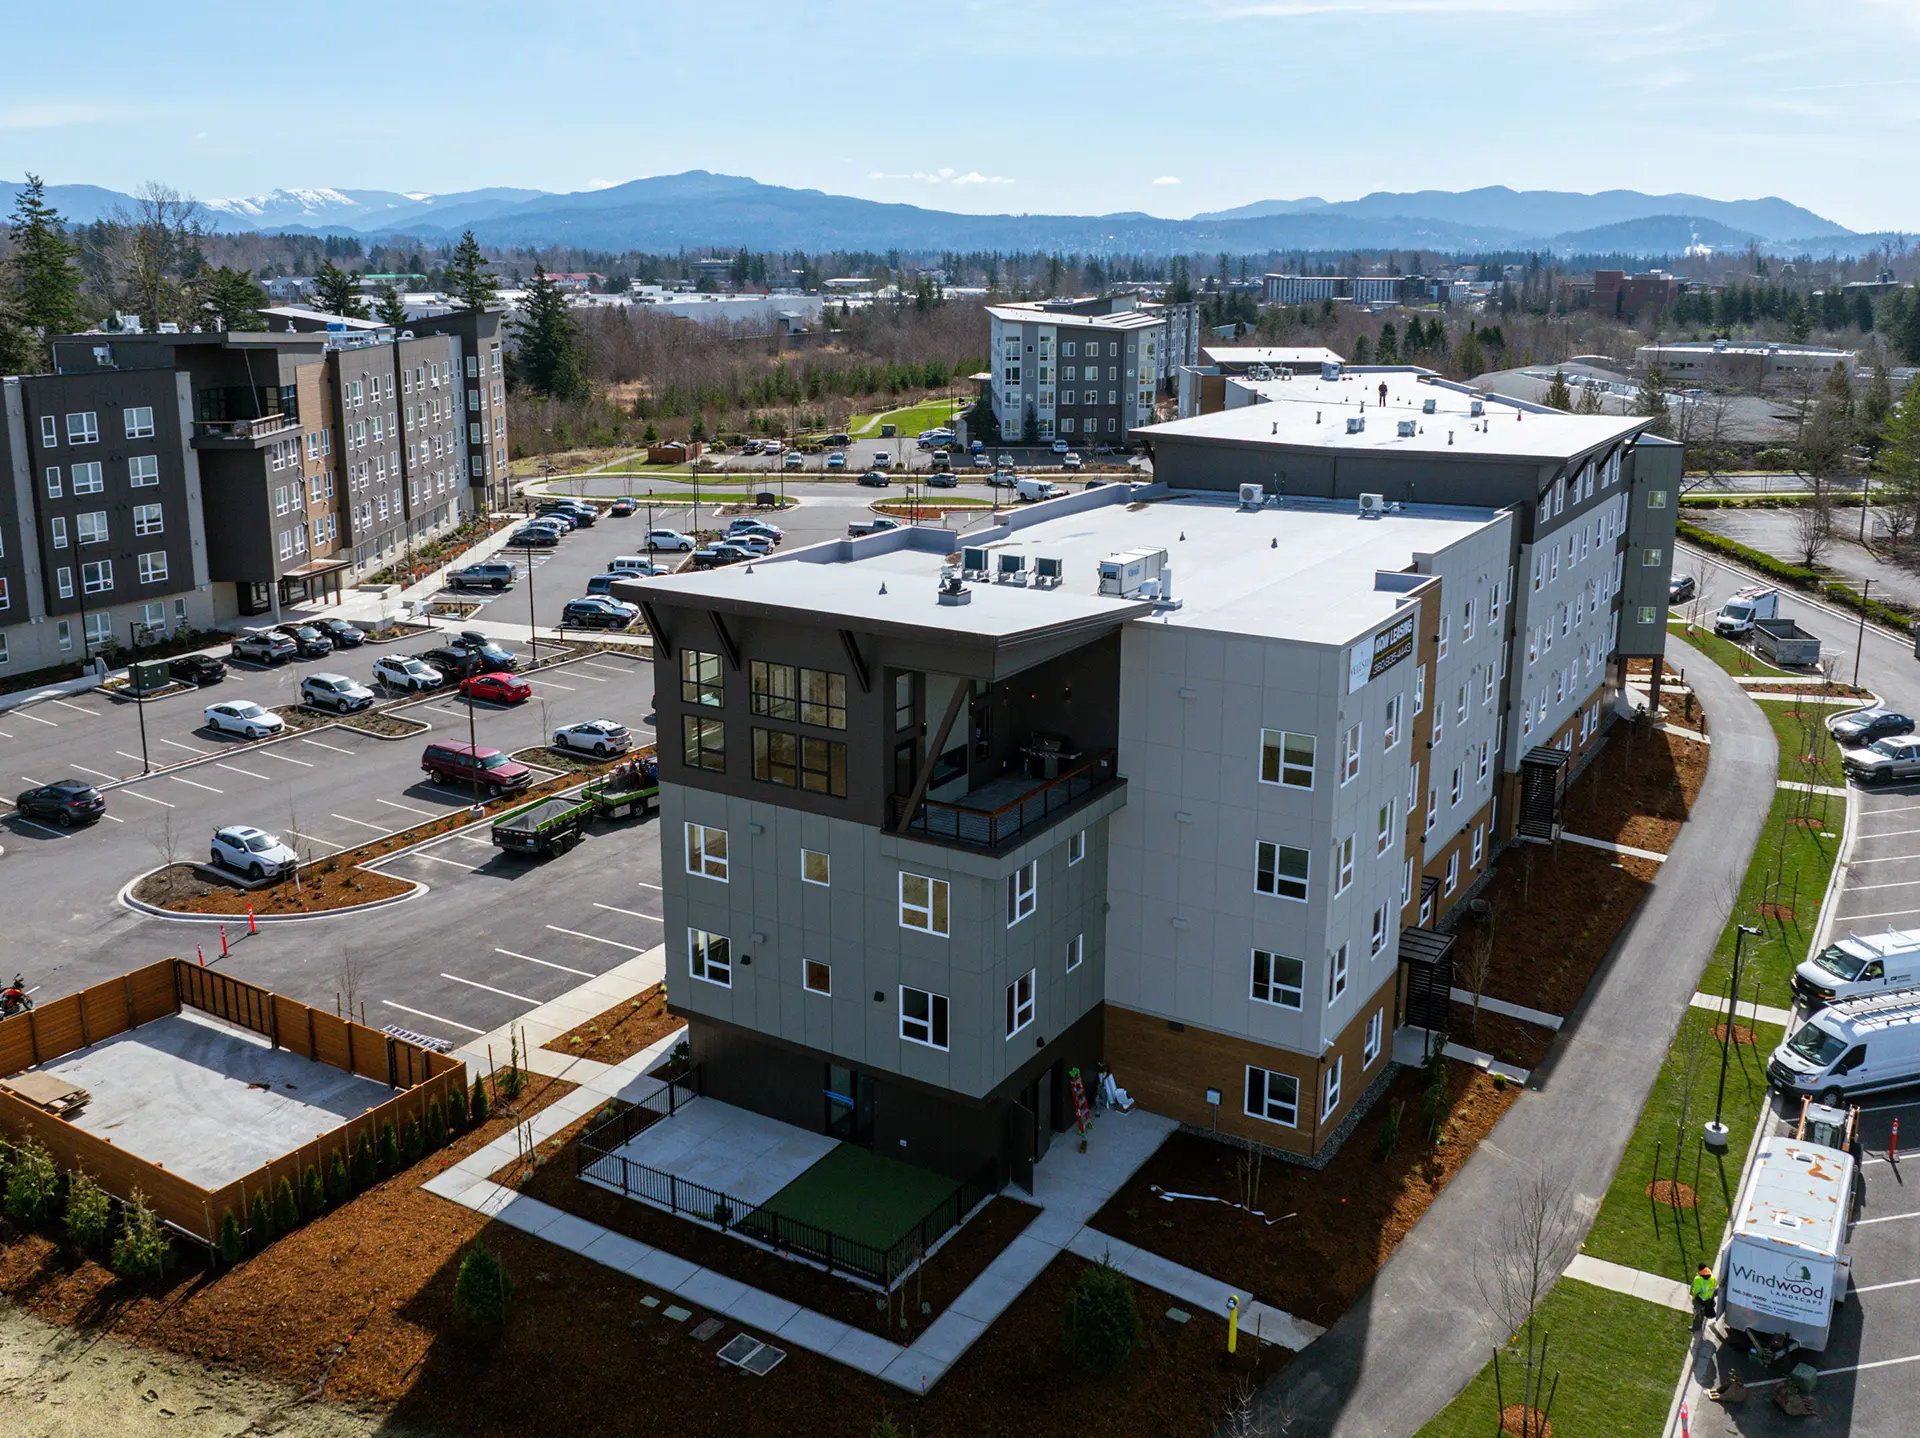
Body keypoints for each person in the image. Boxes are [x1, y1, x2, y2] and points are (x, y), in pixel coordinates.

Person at [1691, 1264, 1719, 1328]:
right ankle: (1702, 1322)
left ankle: (1696, 1327)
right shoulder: (1713, 1278)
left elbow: (1696, 1292)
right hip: (1709, 1299)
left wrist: (1693, 1298)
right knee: (1704, 1312)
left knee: (1697, 1314)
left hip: (1700, 1300)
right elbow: (1715, 1288)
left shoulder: (1698, 1279)